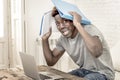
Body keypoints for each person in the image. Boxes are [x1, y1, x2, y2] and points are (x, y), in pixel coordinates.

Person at [41, 7, 115, 80]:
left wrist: (78, 24)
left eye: (65, 21)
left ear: (73, 20)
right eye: (58, 23)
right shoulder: (63, 39)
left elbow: (96, 52)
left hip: (103, 73)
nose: (61, 26)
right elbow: (51, 61)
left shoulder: (89, 29)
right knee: (62, 78)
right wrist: (44, 40)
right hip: (83, 71)